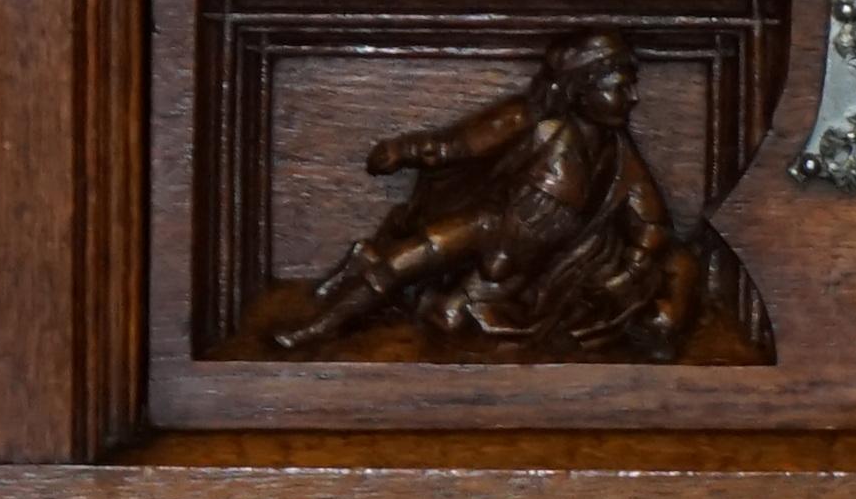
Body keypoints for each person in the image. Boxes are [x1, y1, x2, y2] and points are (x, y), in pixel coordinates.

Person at [268, 24, 704, 358]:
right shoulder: (532, 121)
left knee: (456, 315)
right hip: (492, 225)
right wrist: (403, 150)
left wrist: (633, 264)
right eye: (618, 86)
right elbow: (455, 144)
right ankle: (322, 326)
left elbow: (649, 215)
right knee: (404, 262)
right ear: (579, 87)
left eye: (631, 85)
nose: (632, 98)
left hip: (543, 265)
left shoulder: (617, 152)